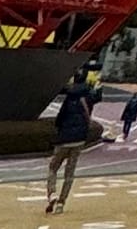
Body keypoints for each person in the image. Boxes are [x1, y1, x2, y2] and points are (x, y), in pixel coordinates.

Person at [44, 69, 98, 212]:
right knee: (70, 172)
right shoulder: (88, 98)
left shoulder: (69, 99)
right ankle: (62, 202)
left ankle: (52, 193)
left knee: (53, 167)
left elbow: (59, 119)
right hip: (79, 140)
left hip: (64, 138)